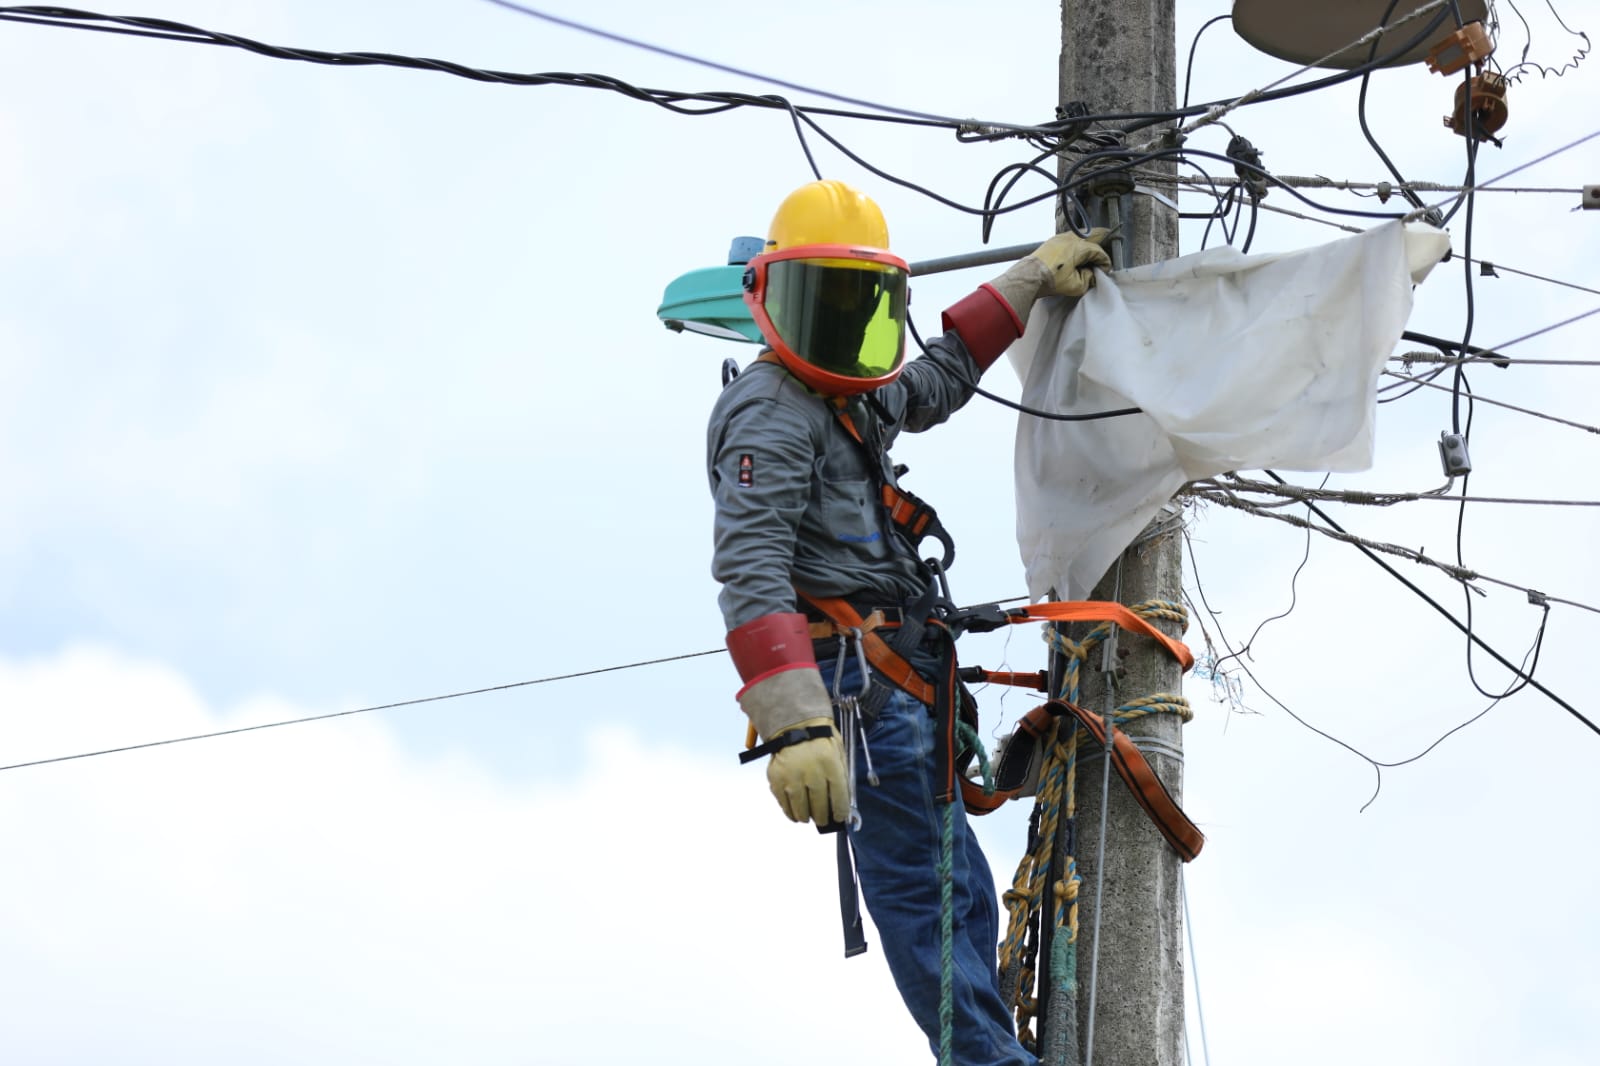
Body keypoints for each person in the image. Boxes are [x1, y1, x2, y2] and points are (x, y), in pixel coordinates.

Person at [705, 179, 1109, 1065]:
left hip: (898, 684)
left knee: (959, 896)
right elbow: (751, 567)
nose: (846, 325)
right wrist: (796, 725)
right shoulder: (770, 410)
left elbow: (937, 376)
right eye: (830, 301)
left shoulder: (844, 398)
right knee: (931, 907)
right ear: (775, 298)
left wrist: (1028, 279)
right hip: (857, 691)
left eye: (862, 303)